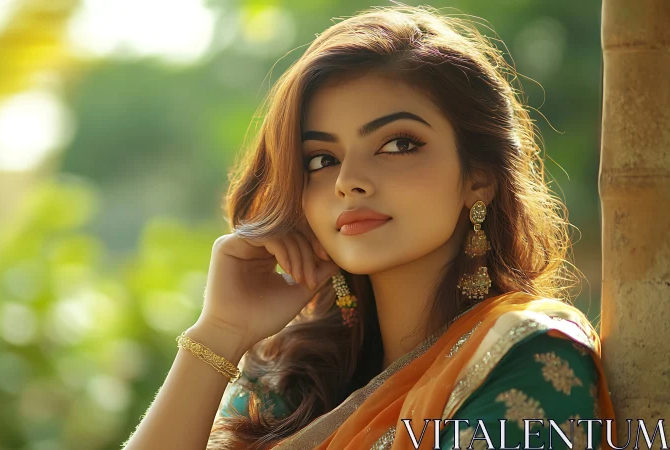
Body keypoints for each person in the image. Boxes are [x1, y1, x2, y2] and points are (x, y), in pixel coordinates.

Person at [123, 4, 616, 450]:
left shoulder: (525, 351)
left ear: (479, 178)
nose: (348, 181)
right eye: (321, 158)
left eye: (398, 144)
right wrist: (220, 333)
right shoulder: (291, 380)